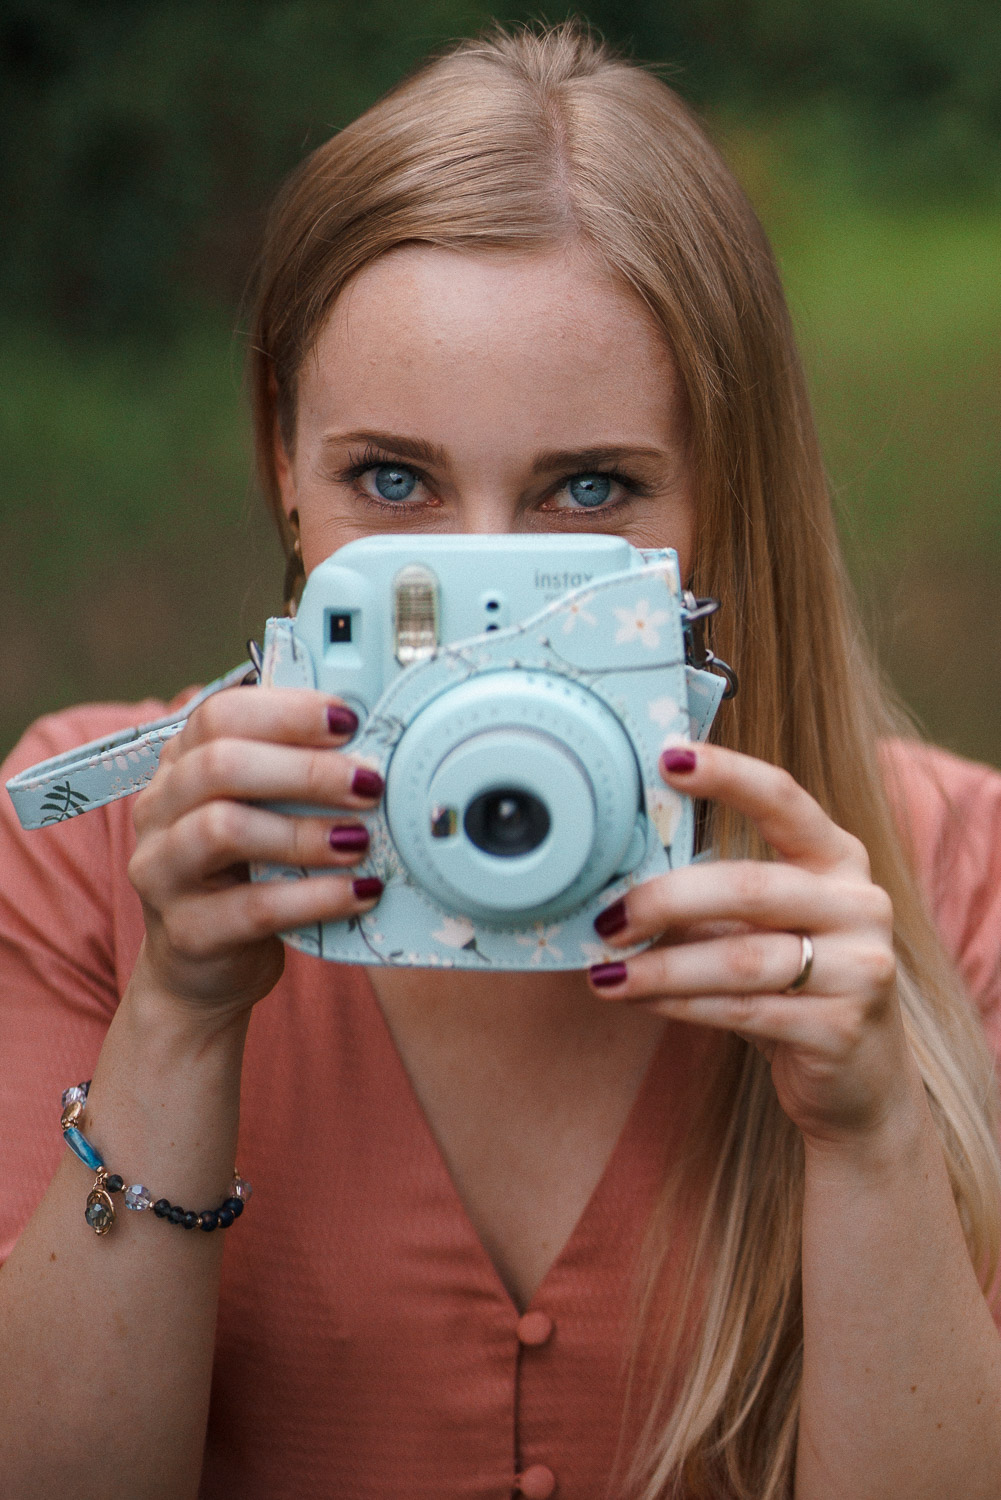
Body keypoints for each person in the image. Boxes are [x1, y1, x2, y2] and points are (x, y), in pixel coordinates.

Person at [1, 22, 1000, 1500]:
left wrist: (868, 1139)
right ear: (285, 467)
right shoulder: (101, 852)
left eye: (587, 489)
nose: (481, 583)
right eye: (391, 479)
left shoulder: (949, 882)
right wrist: (178, 1022)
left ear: (724, 494)